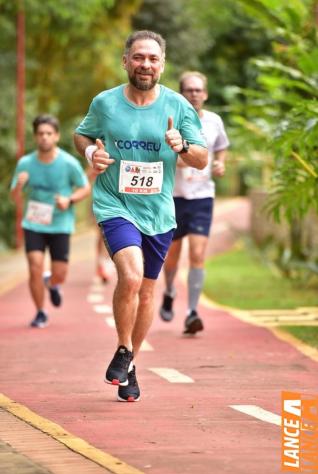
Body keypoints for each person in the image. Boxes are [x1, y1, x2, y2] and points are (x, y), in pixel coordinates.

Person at [74, 30, 208, 402]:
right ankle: (122, 347)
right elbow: (81, 136)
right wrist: (90, 156)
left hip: (159, 212)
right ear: (125, 61)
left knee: (148, 292)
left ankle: (129, 363)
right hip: (115, 203)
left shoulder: (178, 106)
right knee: (130, 277)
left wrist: (182, 146)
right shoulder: (105, 103)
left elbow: (202, 158)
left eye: (152, 58)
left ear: (162, 64)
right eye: (138, 57)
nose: (145, 64)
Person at [159, 71, 230, 335]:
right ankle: (168, 290)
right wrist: (187, 158)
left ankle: (191, 312)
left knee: (198, 254)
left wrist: (220, 162)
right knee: (173, 257)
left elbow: (221, 146)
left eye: (198, 90)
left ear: (206, 94)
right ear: (181, 94)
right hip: (174, 197)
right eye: (189, 90)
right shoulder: (169, 119)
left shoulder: (214, 121)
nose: (194, 94)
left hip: (202, 197)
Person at [10, 114, 90, 328]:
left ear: (56, 136)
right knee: (35, 266)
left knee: (60, 274)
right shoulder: (25, 164)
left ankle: (53, 284)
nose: (44, 137)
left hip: (60, 224)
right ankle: (40, 311)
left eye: (48, 133)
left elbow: (84, 188)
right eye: (40, 134)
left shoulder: (68, 163)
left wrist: (69, 199)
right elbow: (14, 197)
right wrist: (19, 185)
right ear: (35, 137)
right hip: (34, 223)